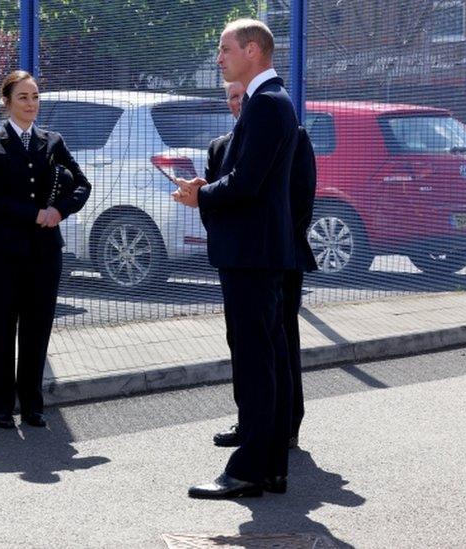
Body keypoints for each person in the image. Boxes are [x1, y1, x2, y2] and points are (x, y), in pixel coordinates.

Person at [173, 19, 299, 499]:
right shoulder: (271, 103)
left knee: (256, 361)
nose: (218, 57)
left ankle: (250, 470)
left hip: (251, 254)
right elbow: (252, 179)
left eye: (224, 49)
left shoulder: (266, 105)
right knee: (265, 358)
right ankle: (267, 465)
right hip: (256, 252)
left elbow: (246, 184)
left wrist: (199, 198)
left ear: (252, 50)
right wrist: (210, 190)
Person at [0, 70, 91, 429]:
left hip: (44, 252)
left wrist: (59, 210)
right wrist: (34, 213)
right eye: (23, 97)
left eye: (36, 96)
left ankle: (33, 403)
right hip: (0, 253)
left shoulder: (52, 141)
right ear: (7, 102)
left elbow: (82, 185)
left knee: (37, 328)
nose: (31, 104)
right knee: (2, 328)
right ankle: (1, 406)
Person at [210, 82, 318, 451]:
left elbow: (301, 198)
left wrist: (279, 241)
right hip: (239, 258)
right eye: (231, 98)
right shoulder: (221, 146)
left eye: (242, 96)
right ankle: (251, 421)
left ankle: (286, 424)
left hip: (278, 256)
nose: (237, 103)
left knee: (281, 339)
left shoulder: (292, 133)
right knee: (242, 341)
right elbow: (216, 202)